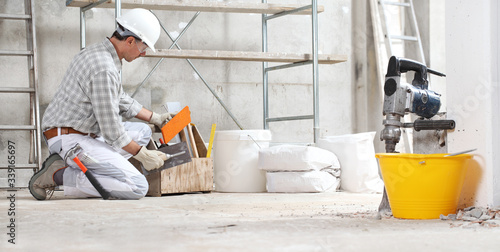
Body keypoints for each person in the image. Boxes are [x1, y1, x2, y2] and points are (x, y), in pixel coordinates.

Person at [29, 9, 172, 200]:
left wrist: (155, 118)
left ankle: (99, 170)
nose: (143, 54)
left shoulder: (100, 53)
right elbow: (112, 131)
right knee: (137, 187)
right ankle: (59, 174)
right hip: (71, 141)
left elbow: (119, 97)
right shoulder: (104, 68)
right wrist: (143, 155)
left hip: (81, 132)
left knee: (143, 132)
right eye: (143, 47)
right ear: (130, 41)